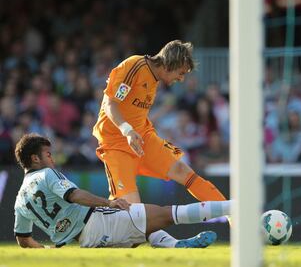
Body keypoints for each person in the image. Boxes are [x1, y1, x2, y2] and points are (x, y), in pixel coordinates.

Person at [91, 40, 228, 248]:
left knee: (183, 171)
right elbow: (109, 104)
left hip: (143, 139)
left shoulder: (155, 79)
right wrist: (127, 131)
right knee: (133, 213)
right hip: (116, 144)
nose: (180, 79)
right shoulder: (134, 66)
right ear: (169, 64)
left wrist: (134, 133)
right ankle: (172, 244)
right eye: (180, 73)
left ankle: (233, 215)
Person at [14, 133, 230, 248]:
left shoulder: (20, 200)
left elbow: (23, 239)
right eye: (48, 154)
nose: (52, 158)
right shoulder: (47, 175)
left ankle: (175, 245)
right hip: (99, 222)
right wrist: (109, 202)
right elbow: (75, 196)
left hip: (88, 242)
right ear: (35, 158)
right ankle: (238, 206)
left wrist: (45, 251)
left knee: (144, 227)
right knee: (167, 214)